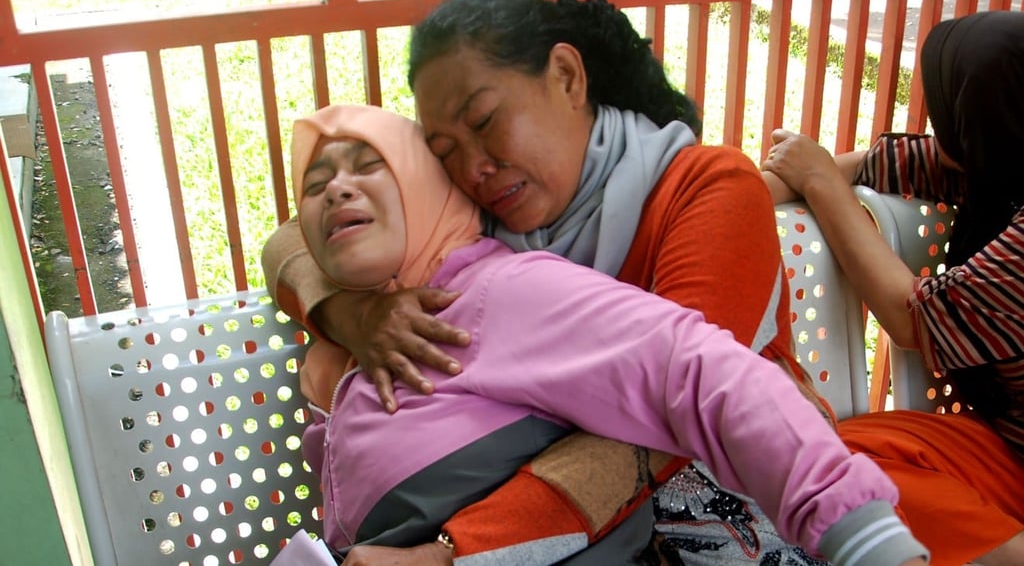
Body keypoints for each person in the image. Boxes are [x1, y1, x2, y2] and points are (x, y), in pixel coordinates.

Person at [262, 0, 835, 564]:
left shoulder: (707, 189)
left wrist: (452, 551)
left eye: (484, 121)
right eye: (444, 151)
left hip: (732, 504)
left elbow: (670, 422)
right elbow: (293, 239)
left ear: (565, 77)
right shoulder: (490, 211)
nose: (473, 167)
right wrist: (356, 315)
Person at [287, 102, 929, 566]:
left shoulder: (499, 292)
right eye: (315, 187)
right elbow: (287, 244)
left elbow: (692, 373)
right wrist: (345, 311)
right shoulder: (362, 329)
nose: (336, 189)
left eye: (372, 166)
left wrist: (858, 527)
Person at [762, 10, 1024, 566]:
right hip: (1007, 441)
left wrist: (818, 181)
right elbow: (867, 165)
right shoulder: (999, 159)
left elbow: (914, 322)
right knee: (839, 454)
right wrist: (737, 201)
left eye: (948, 106)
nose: (935, 121)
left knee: (849, 471)